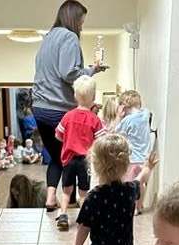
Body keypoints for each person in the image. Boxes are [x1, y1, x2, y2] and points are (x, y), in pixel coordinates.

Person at [32, 1, 106, 212]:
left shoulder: (48, 37)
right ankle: (71, 204)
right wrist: (92, 70)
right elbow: (69, 73)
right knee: (74, 158)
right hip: (58, 108)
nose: (81, 26)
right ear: (73, 19)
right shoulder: (69, 37)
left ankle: (50, 199)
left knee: (57, 156)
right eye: (81, 21)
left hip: (39, 107)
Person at [53, 75, 105, 231]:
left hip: (68, 160)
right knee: (83, 192)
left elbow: (58, 135)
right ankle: (84, 218)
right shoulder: (94, 119)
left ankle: (63, 214)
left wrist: (69, 140)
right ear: (93, 97)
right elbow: (101, 140)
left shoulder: (68, 116)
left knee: (66, 191)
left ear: (75, 95)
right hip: (85, 161)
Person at [115, 90, 153, 214]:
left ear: (124, 107)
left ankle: (131, 207)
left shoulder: (127, 120)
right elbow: (146, 111)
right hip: (145, 159)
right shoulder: (145, 115)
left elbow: (116, 134)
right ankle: (139, 206)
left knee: (130, 184)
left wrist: (119, 117)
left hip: (132, 159)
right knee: (142, 184)